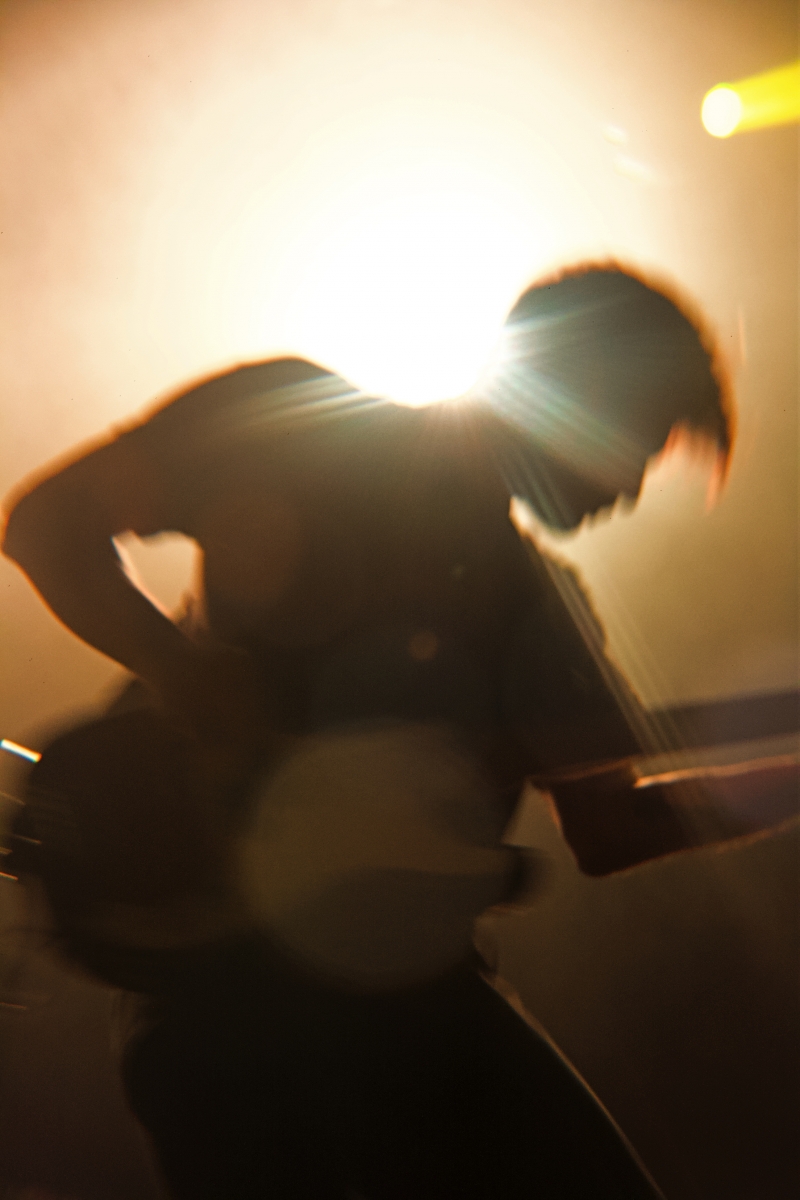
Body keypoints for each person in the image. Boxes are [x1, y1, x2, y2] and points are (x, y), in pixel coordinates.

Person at [2, 263, 732, 1198]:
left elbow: (610, 825)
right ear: (578, 383)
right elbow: (47, 523)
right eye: (644, 437)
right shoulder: (302, 422)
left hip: (414, 1004)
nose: (633, 485)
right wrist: (181, 669)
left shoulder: (543, 611)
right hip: (223, 996)